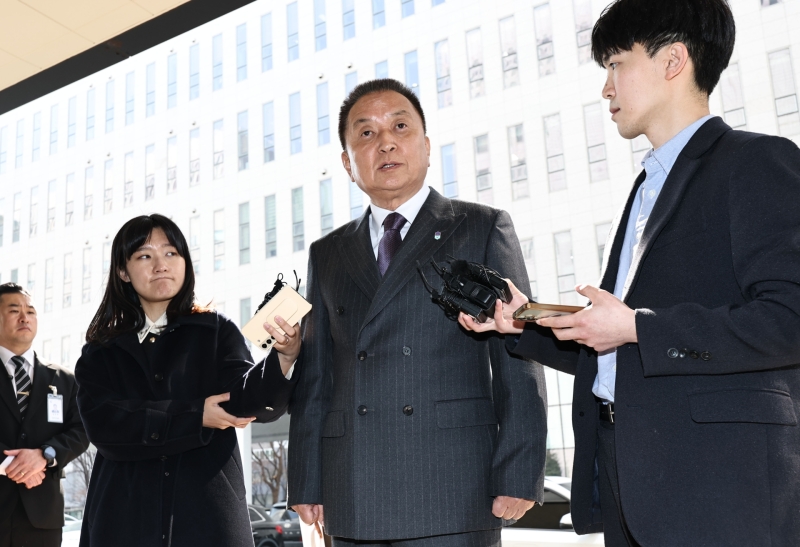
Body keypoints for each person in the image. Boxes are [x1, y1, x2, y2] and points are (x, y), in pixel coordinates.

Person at [459, 0, 800, 545]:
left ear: (673, 61)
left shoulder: (758, 162)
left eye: (617, 64)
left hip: (722, 489)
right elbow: (620, 347)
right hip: (633, 483)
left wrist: (638, 326)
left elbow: (789, 318)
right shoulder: (646, 187)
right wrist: (524, 322)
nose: (606, 88)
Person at [287, 79, 547, 547]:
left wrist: (519, 469)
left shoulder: (481, 226)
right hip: (353, 486)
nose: (385, 142)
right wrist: (307, 479)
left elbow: (519, 352)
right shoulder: (327, 253)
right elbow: (317, 377)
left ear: (426, 146)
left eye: (400, 126)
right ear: (348, 163)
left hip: (453, 484)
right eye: (366, 133)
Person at [74, 214, 301, 547]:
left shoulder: (216, 331)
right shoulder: (101, 350)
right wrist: (196, 416)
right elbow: (105, 425)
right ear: (123, 271)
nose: (161, 265)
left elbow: (245, 401)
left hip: (207, 517)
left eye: (171, 253)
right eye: (144, 256)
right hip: (124, 519)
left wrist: (284, 357)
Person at [0, 283, 89, 547]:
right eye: (14, 310)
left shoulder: (65, 379)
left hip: (43, 516)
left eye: (30, 311)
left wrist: (44, 455)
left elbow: (82, 430)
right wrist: (10, 465)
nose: (24, 317)